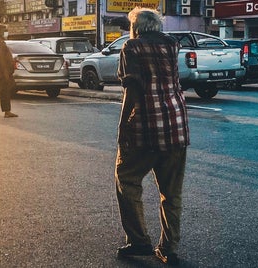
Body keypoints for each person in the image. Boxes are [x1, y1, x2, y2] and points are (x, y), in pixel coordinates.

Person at [113, 7, 189, 265]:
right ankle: (169, 248)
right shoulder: (171, 45)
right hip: (176, 125)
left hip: (145, 128)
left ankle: (139, 241)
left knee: (127, 179)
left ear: (136, 27)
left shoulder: (131, 47)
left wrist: (123, 125)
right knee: (171, 192)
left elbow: (132, 88)